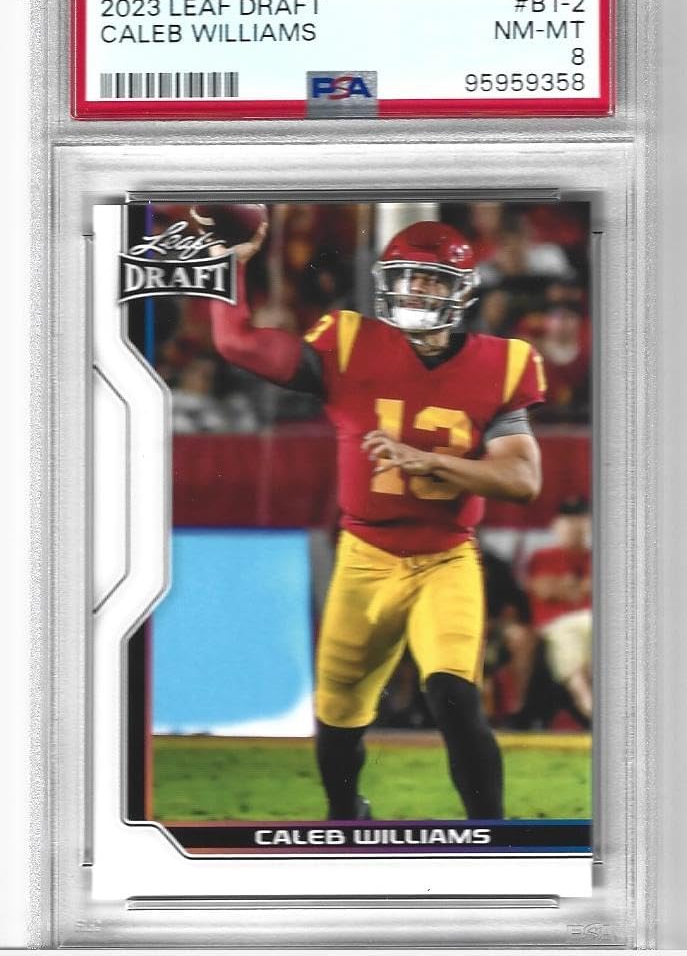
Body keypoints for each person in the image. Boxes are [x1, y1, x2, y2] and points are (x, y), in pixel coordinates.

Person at [210, 218, 546, 820]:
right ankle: (346, 814)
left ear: (463, 290)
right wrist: (226, 268)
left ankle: (491, 835)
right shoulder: (348, 343)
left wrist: (435, 463)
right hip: (364, 557)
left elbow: (523, 479)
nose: (416, 289)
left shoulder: (502, 363)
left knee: (453, 693)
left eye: (431, 279)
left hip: (445, 556)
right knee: (339, 715)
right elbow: (239, 345)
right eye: (408, 277)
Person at [525, 497, 592, 722]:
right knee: (568, 638)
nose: (575, 526)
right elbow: (544, 589)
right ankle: (589, 707)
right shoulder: (543, 557)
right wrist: (581, 587)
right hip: (554, 626)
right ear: (556, 525)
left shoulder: (598, 557)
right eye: (569, 521)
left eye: (580, 520)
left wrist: (565, 587)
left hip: (590, 623)